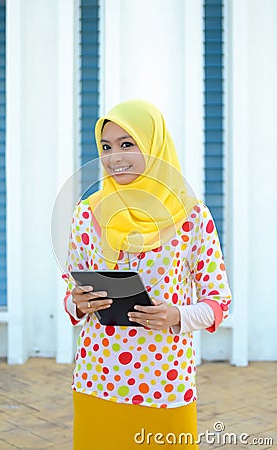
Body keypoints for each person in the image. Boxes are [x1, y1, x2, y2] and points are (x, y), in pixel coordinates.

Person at [63, 100, 232, 449]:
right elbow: (70, 294)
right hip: (99, 376)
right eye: (106, 147)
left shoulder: (192, 216)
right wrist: (77, 303)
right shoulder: (86, 214)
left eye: (128, 144)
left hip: (165, 381)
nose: (114, 157)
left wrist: (176, 316)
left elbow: (218, 302)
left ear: (154, 146)